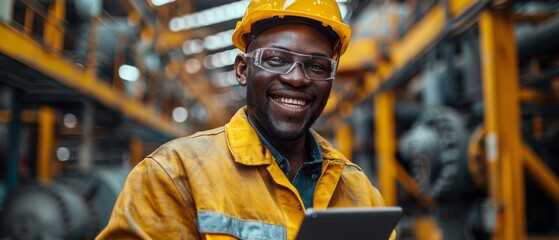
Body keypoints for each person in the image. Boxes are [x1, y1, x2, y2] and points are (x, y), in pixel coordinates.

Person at [97, 0, 391, 239]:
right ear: (241, 70)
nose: (297, 78)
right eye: (277, 59)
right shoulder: (173, 176)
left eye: (316, 66)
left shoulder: (360, 191)